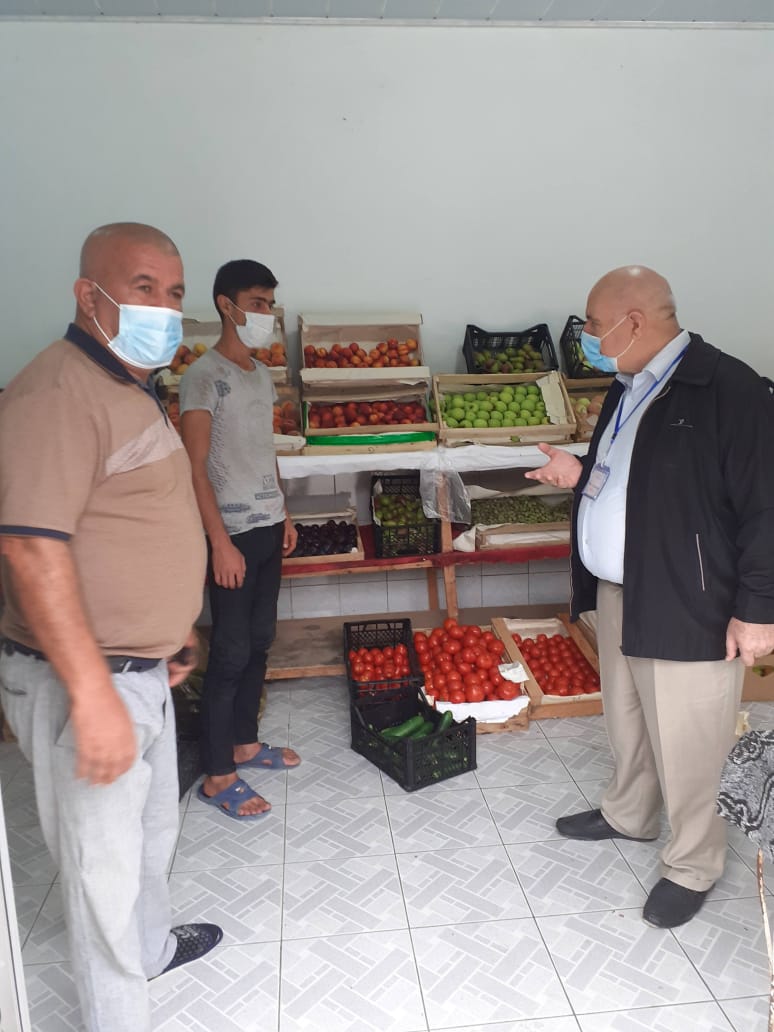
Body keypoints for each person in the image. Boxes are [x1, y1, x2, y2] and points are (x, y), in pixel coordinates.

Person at [0, 223, 223, 1031]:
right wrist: (91, 692)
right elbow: (31, 547)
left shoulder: (128, 385)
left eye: (174, 292)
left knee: (151, 836)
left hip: (139, 669)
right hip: (84, 680)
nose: (163, 307)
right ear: (87, 295)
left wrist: (171, 629)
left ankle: (153, 947)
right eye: (142, 287)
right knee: (102, 876)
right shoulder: (57, 393)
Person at [526, 265, 774, 928]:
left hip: (690, 597)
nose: (586, 335)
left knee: (691, 740)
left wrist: (758, 609)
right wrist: (580, 471)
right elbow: (634, 478)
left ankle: (693, 863)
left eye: (593, 323)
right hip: (620, 588)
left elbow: (765, 507)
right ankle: (630, 812)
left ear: (634, 321)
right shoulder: (629, 384)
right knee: (629, 717)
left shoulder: (730, 389)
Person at [179, 259, 300, 822]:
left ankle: (245, 744)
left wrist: (284, 512)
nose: (265, 314)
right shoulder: (203, 377)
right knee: (228, 652)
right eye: (256, 303)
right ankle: (217, 773)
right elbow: (195, 466)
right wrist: (219, 542)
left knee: (259, 640)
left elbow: (264, 450)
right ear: (226, 306)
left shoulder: (259, 374)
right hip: (231, 532)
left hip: (268, 525)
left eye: (269, 304)